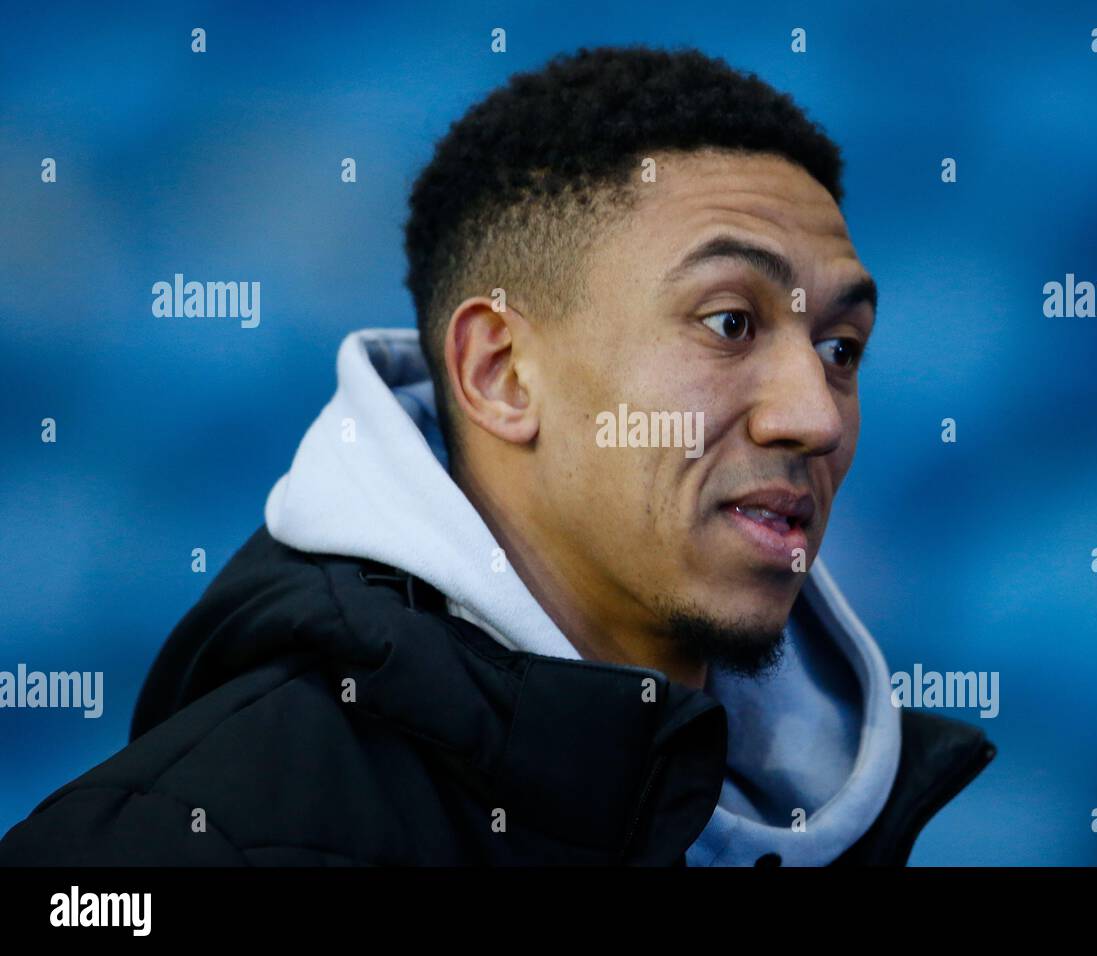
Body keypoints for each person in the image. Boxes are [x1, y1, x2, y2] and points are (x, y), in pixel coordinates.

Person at [0, 44, 994, 867]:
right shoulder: (164, 845)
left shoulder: (862, 826)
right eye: (730, 321)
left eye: (839, 349)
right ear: (503, 374)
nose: (814, 414)